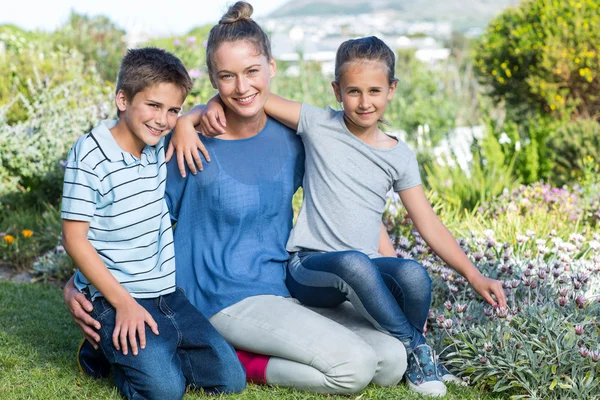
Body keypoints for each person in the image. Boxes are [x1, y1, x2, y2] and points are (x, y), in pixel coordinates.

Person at [65, 2, 408, 395]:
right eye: (227, 76)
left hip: (286, 287)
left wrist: (386, 267)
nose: (242, 87)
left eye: (251, 72)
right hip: (218, 297)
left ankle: (237, 351)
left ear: (271, 67)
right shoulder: (186, 147)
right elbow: (123, 216)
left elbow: (350, 202)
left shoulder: (294, 141)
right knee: (355, 367)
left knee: (392, 358)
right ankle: (241, 359)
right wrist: (77, 286)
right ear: (213, 79)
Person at [197, 36, 508, 397]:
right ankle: (420, 350)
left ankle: (410, 356)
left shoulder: (399, 156)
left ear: (391, 90)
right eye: (353, 91)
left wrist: (473, 274)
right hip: (309, 268)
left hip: (362, 269)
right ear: (337, 91)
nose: (364, 102)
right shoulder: (317, 124)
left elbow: (428, 224)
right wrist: (201, 110)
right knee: (355, 264)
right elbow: (250, 95)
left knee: (412, 272)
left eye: (374, 91)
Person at [60, 47, 245, 400]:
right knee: (165, 391)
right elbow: (74, 239)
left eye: (172, 110)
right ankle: (101, 352)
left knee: (229, 379)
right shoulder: (91, 154)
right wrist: (124, 304)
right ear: (122, 99)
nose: (163, 119)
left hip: (166, 295)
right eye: (153, 106)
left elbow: (207, 107)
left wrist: (188, 121)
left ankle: (140, 351)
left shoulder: (156, 147)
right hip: (116, 298)